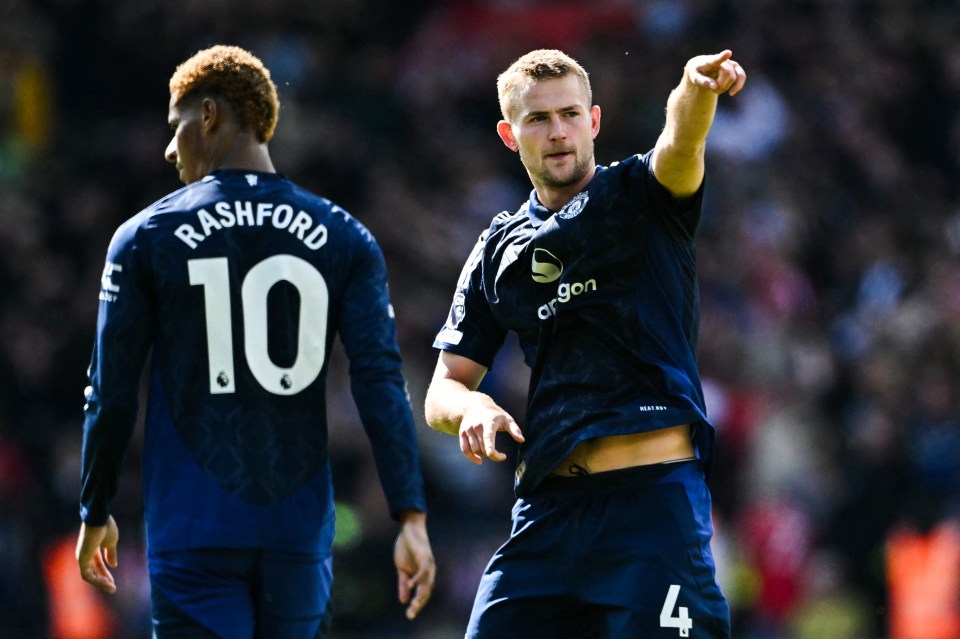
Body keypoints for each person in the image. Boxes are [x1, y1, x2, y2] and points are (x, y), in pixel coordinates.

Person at [75, 45, 435, 638]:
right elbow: (380, 383)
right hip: (297, 530)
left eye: (177, 124)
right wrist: (410, 513)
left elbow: (110, 392)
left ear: (210, 114)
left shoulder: (146, 236)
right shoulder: (345, 236)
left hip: (195, 529)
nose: (170, 147)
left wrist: (96, 506)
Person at [425, 48, 745, 638]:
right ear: (508, 133)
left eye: (570, 114)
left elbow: (681, 144)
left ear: (594, 121)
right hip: (548, 516)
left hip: (650, 509)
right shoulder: (498, 249)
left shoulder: (641, 196)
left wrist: (695, 90)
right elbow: (444, 387)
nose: (558, 131)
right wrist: (473, 406)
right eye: (538, 119)